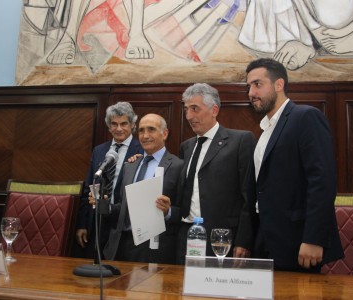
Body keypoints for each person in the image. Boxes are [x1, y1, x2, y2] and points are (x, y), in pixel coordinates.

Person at [245, 57, 344, 272]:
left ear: (279, 85)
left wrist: (314, 238)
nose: (251, 93)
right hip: (266, 239)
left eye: (257, 84)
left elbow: (322, 182)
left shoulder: (305, 117)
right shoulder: (265, 130)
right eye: (249, 86)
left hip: (298, 241)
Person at [176, 83, 257, 264]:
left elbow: (248, 195)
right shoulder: (186, 147)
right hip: (186, 236)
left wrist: (244, 241)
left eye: (195, 109)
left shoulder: (240, 141)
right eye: (186, 109)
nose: (189, 116)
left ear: (214, 110)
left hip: (222, 239)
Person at [102, 114, 184, 263]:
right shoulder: (130, 165)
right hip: (122, 245)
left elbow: (185, 211)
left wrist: (168, 211)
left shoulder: (179, 166)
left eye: (151, 129)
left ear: (164, 134)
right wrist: (104, 205)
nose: (145, 135)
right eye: (141, 130)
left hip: (155, 249)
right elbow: (124, 207)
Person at [74, 102, 143, 258]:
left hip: (123, 222)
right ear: (109, 126)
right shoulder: (100, 150)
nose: (119, 129)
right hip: (97, 220)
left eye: (124, 123)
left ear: (132, 125)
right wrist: (82, 224)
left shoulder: (141, 151)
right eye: (114, 124)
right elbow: (88, 187)